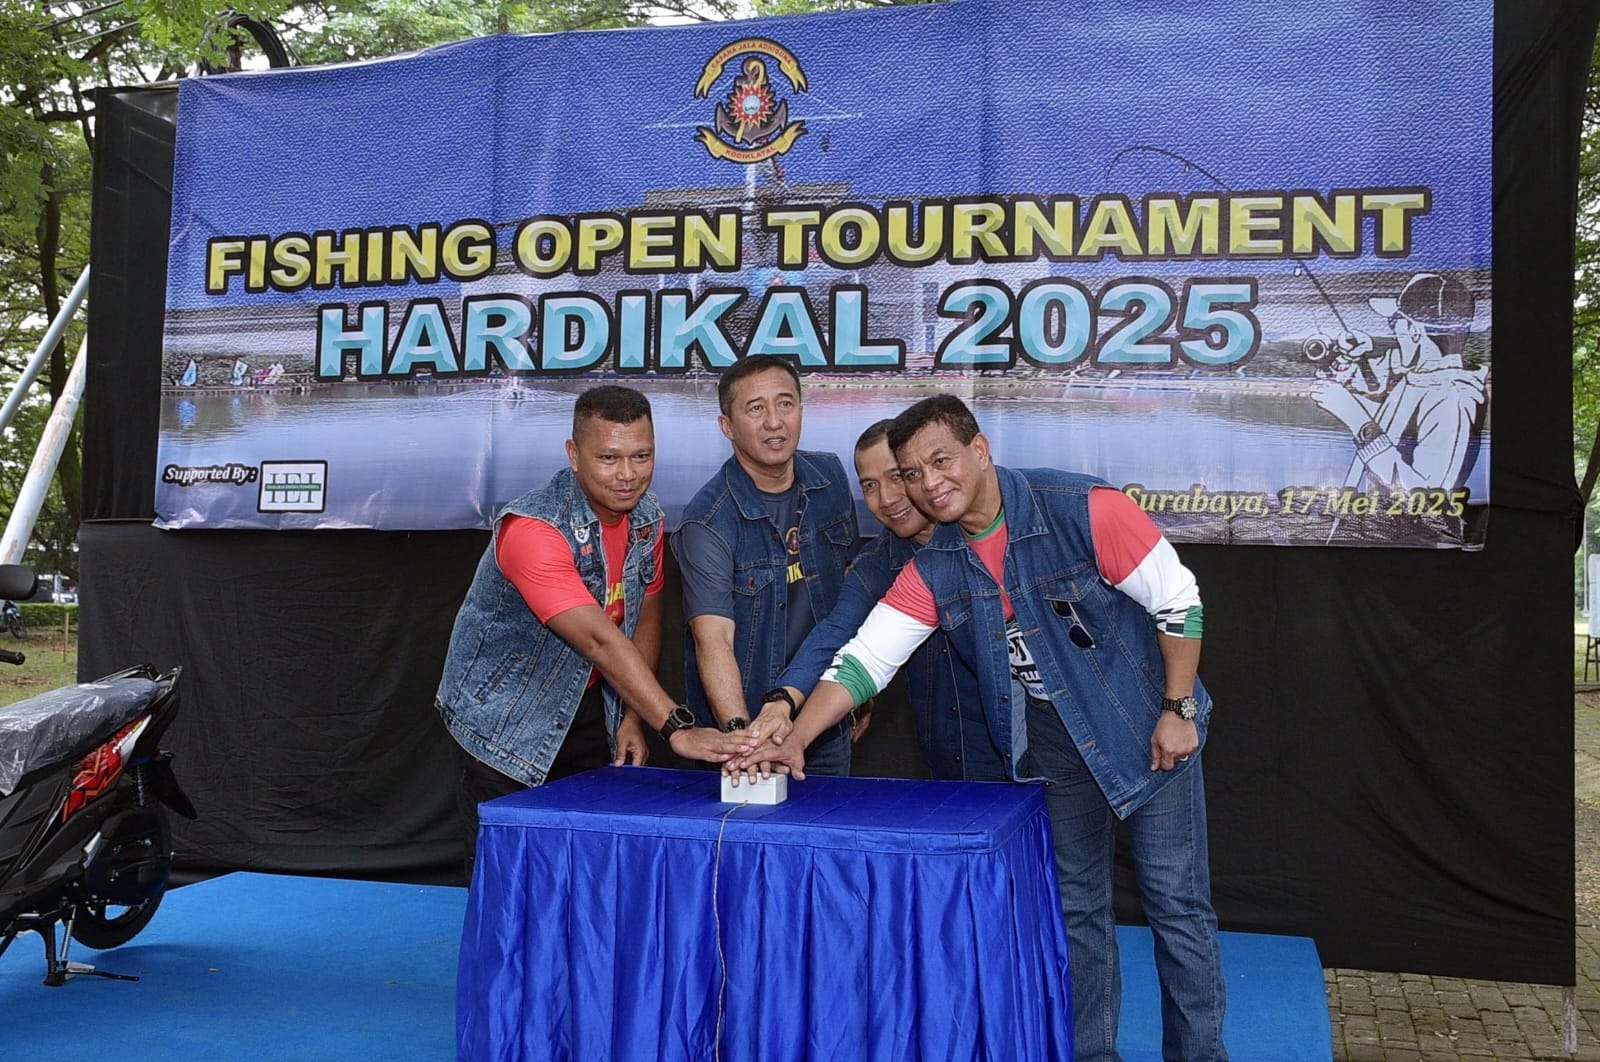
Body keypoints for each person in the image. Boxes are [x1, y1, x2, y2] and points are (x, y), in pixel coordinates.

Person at [732, 395, 1228, 1061]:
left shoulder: (1082, 507)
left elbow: (1179, 602)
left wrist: (1178, 709)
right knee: (1076, 913)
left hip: (1146, 727)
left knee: (1176, 908)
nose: (928, 483)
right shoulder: (934, 563)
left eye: (941, 461)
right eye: (912, 473)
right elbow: (866, 660)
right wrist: (795, 735)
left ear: (981, 450)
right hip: (1053, 745)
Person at [435, 385, 745, 875]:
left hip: (587, 708)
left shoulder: (647, 518)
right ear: (574, 455)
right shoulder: (534, 529)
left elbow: (644, 615)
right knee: (512, 881)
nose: (628, 475)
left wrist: (632, 716)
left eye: (641, 455)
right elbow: (599, 639)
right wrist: (676, 728)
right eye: (609, 458)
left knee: (585, 870)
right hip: (505, 721)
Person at [758, 419, 1005, 780]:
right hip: (948, 761)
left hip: (1029, 750)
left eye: (897, 477)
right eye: (870, 485)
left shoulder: (990, 535)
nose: (886, 499)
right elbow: (836, 634)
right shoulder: (875, 566)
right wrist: (782, 701)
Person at [673, 355, 860, 774]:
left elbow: (852, 590)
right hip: (748, 721)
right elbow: (714, 639)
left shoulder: (830, 476)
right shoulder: (707, 521)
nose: (775, 422)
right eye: (756, 409)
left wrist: (857, 690)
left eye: (785, 403)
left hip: (823, 718)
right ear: (727, 426)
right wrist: (743, 741)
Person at [1309, 272, 1487, 492]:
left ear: (1414, 330)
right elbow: (1396, 423)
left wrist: (1358, 420)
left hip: (1396, 515)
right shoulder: (1424, 378)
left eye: (1394, 321)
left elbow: (1423, 496)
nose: (1392, 330)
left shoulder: (1450, 400)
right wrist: (1345, 382)